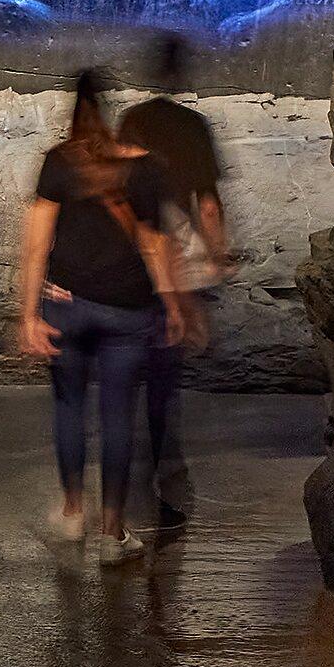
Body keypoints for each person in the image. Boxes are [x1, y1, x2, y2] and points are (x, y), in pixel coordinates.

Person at [17, 69, 199, 563]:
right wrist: (173, 306)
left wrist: (29, 314)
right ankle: (113, 534)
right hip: (128, 310)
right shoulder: (146, 168)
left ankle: (73, 512)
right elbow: (156, 245)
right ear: (112, 109)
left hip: (68, 302)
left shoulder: (58, 163)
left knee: (69, 408)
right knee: (118, 416)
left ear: (72, 109)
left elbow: (37, 245)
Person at [118, 36, 233, 535]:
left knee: (129, 358)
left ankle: (125, 461)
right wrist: (217, 254)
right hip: (180, 256)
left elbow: (117, 193)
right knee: (167, 369)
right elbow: (207, 204)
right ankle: (162, 454)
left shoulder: (133, 122)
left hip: (135, 256)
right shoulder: (193, 127)